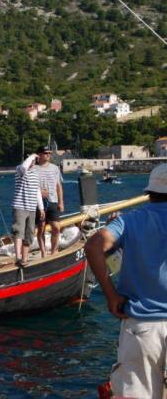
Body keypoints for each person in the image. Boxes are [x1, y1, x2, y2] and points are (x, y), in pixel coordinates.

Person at [84, 164, 167, 399]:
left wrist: (111, 295)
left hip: (142, 327)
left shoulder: (129, 221)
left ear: (149, 192)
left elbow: (93, 246)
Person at [11, 154, 45, 267]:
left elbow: (37, 191)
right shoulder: (19, 170)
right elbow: (24, 167)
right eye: (31, 160)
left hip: (32, 208)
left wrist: (41, 208)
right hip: (20, 207)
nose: (33, 162)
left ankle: (24, 259)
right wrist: (31, 156)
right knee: (18, 232)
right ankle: (18, 258)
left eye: (35, 160)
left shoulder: (35, 173)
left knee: (29, 234)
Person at [34, 145, 63, 257]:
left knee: (56, 227)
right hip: (39, 203)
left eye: (50, 153)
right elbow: (28, 186)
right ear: (39, 155)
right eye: (46, 153)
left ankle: (53, 251)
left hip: (53, 201)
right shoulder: (33, 168)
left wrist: (61, 202)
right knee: (41, 228)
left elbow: (58, 186)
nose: (48, 155)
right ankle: (43, 252)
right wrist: (39, 192)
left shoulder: (55, 168)